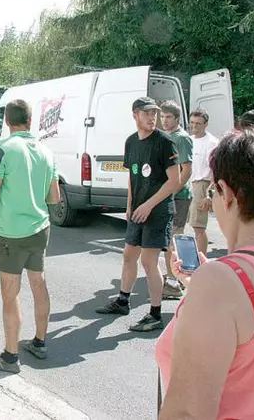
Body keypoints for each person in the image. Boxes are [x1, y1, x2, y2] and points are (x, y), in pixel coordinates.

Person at [155, 127, 254, 419]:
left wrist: (209, 287)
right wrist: (195, 285)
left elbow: (187, 412)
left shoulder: (221, 284)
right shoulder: (233, 282)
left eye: (212, 191)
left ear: (226, 194)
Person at [0, 99, 59, 373]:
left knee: (11, 294)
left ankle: (10, 357)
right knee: (39, 283)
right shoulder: (47, 152)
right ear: (30, 120)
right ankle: (39, 341)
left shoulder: (1, 148)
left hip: (11, 232)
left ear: (7, 122)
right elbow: (54, 197)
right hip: (41, 226)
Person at [95, 96, 179, 332]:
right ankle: (123, 300)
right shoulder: (131, 142)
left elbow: (174, 181)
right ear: (135, 115)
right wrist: (130, 206)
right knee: (129, 255)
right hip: (138, 210)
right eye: (147, 113)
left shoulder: (165, 142)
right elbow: (132, 177)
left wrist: (148, 205)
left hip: (158, 211)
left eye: (154, 113)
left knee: (148, 261)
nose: (152, 117)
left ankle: (155, 314)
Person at [159, 101, 193, 300]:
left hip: (179, 197)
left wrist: (172, 191)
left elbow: (187, 170)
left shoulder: (181, 138)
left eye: (168, 117)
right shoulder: (167, 136)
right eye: (162, 117)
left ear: (177, 119)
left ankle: (175, 283)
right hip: (170, 195)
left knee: (175, 240)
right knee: (173, 240)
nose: (164, 120)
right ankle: (178, 279)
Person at [188, 109, 219, 256]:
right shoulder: (189, 139)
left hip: (203, 185)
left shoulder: (212, 143)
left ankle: (201, 261)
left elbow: (217, 171)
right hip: (189, 184)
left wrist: (209, 195)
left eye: (198, 124)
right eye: (192, 122)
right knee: (189, 226)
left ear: (206, 124)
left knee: (199, 227)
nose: (194, 126)